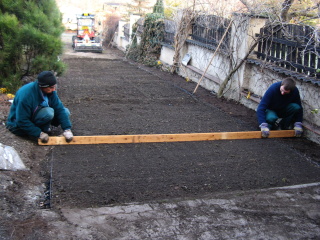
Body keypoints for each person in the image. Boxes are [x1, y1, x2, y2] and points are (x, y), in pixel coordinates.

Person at [6, 71, 73, 143]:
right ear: (42, 86)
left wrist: (67, 129)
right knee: (48, 112)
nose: (54, 89)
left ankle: (45, 129)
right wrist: (38, 133)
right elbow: (21, 120)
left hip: (36, 116)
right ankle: (39, 131)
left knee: (65, 112)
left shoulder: (50, 92)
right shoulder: (26, 95)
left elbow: (60, 109)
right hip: (17, 126)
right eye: (51, 87)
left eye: (54, 86)